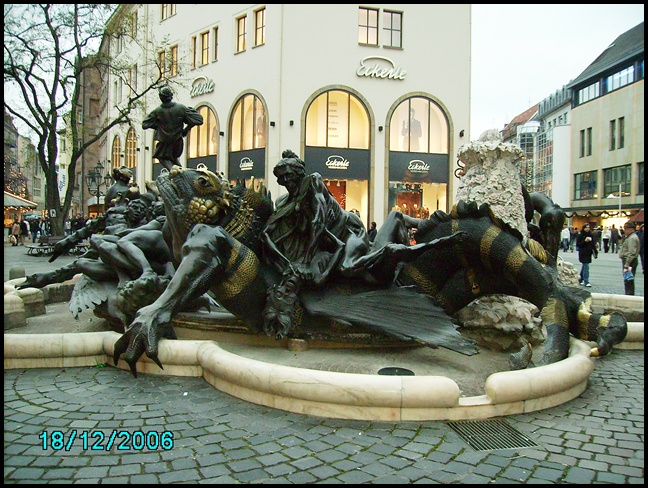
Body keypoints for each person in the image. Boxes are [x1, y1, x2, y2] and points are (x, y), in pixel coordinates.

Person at [142, 86, 204, 170]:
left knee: (163, 158)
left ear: (161, 97)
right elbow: (198, 119)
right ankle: (181, 173)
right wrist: (187, 129)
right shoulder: (181, 108)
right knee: (173, 159)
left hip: (165, 142)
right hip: (177, 140)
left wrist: (158, 126)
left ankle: (175, 173)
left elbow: (145, 124)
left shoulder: (157, 111)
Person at [619, 221, 640, 295]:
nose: (625, 231)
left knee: (628, 280)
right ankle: (629, 294)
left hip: (630, 261)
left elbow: (632, 252)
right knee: (628, 279)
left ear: (630, 229)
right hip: (630, 261)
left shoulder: (632, 238)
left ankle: (629, 295)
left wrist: (627, 264)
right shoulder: (631, 237)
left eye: (626, 229)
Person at [576, 223, 597, 287]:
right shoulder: (581, 235)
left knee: (584, 267)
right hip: (583, 253)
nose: (587, 229)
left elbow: (593, 244)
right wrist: (585, 241)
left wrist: (595, 251)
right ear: (583, 228)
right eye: (586, 227)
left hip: (589, 253)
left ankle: (580, 279)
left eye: (588, 227)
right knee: (586, 266)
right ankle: (586, 281)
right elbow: (578, 245)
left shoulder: (591, 235)